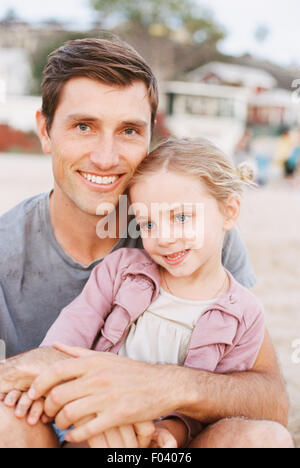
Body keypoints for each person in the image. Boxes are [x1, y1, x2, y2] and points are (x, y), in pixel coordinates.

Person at [0, 37, 292, 448]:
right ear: (45, 131)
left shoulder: (197, 237)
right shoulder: (6, 247)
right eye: (83, 126)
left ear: (151, 136)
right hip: (71, 432)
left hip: (168, 443)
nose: (105, 157)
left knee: (264, 439)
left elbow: (270, 398)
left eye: (129, 130)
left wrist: (160, 387)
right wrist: (50, 371)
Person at [2, 138, 269, 448]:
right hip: (92, 418)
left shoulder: (245, 314)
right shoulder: (122, 269)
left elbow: (219, 398)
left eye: (181, 217)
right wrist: (46, 385)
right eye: (148, 223)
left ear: (229, 211)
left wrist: (172, 432)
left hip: (164, 439)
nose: (164, 238)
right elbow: (73, 328)